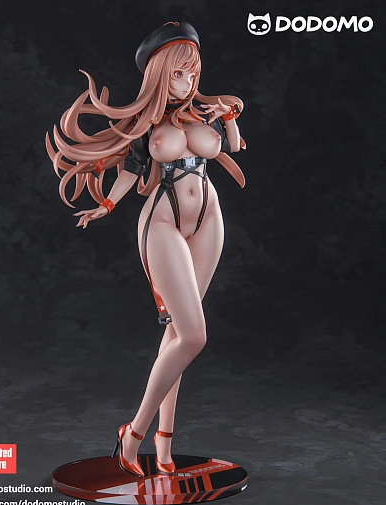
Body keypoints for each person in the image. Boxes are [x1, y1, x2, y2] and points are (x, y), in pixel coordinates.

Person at [46, 21, 246, 478]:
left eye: (192, 72)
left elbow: (234, 147)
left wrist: (230, 116)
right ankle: (133, 433)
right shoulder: (146, 124)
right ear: (158, 74)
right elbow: (133, 169)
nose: (187, 81)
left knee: (178, 334)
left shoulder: (205, 114)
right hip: (162, 221)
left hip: (209, 218)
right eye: (178, 73)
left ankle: (165, 442)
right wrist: (106, 205)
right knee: (193, 335)